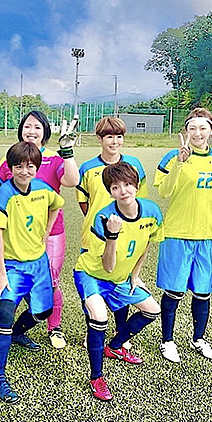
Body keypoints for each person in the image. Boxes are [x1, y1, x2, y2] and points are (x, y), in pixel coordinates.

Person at [74, 161, 163, 401]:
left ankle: (114, 347)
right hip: (91, 275)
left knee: (152, 310)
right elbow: (108, 266)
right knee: (99, 317)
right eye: (115, 187)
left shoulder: (152, 212)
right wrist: (112, 234)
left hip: (119, 278)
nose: (123, 191)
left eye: (127, 184)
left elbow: (145, 245)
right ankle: (96, 378)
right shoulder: (104, 217)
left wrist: (134, 276)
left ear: (136, 185)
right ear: (110, 192)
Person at [154, 108, 212, 363]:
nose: (198, 133)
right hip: (177, 234)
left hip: (207, 235)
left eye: (203, 128)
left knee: (203, 292)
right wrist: (180, 163)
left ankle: (198, 339)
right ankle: (167, 341)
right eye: (192, 128)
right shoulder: (173, 156)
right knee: (174, 291)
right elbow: (164, 192)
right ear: (186, 131)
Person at [0, 141, 64, 403]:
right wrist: (1, 274)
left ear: (37, 167)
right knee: (5, 313)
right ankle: (0, 376)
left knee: (43, 312)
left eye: (30, 166)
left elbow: (56, 204)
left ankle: (17, 333)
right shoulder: (4, 194)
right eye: (18, 166)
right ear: (10, 168)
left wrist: (47, 230)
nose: (24, 171)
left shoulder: (44, 189)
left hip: (38, 263)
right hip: (12, 266)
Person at [0, 112, 79, 350]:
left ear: (45, 132)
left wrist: (67, 151)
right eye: (27, 126)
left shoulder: (53, 159)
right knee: (15, 283)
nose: (31, 131)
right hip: (16, 234)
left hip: (50, 233)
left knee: (51, 281)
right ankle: (11, 328)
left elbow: (72, 181)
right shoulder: (10, 159)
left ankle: (54, 328)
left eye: (37, 127)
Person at [76, 116, 147, 348]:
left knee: (121, 282)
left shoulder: (134, 165)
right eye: (109, 136)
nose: (114, 141)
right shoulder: (88, 168)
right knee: (92, 286)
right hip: (94, 237)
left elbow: (139, 200)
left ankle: (120, 330)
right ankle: (92, 330)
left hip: (126, 236)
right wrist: (99, 223)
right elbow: (84, 201)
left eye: (118, 136)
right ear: (100, 139)